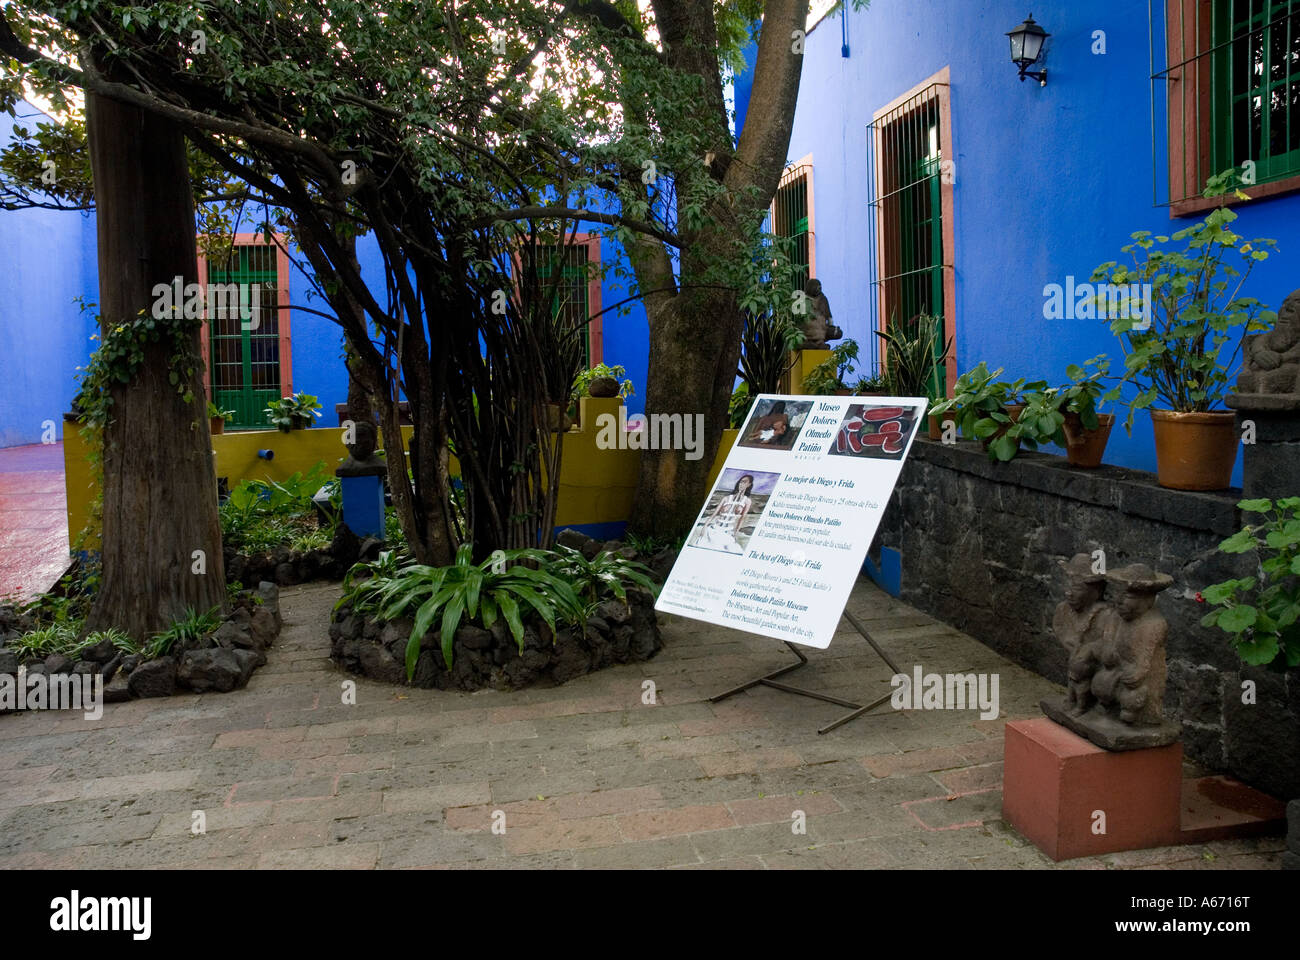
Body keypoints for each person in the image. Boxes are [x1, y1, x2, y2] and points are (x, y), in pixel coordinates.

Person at [692, 475, 755, 553]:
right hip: (715, 529)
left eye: (744, 482)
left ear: (749, 485)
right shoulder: (726, 498)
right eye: (740, 481)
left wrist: (736, 533)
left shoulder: (747, 501)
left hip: (728, 532)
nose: (741, 484)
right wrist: (704, 526)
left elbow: (742, 519)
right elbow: (714, 514)